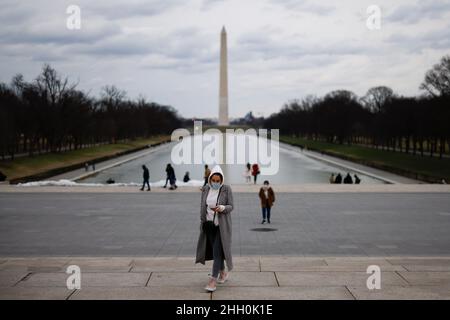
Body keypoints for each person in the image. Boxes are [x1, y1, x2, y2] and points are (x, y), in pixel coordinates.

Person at [196, 165, 234, 292]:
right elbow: (203, 206)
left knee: (217, 251)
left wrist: (222, 208)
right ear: (210, 179)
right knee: (215, 252)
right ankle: (222, 272)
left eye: (218, 181)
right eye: (214, 180)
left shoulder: (226, 189)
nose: (216, 183)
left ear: (221, 180)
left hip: (221, 226)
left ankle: (212, 280)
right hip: (209, 226)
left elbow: (231, 206)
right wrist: (202, 222)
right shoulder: (206, 188)